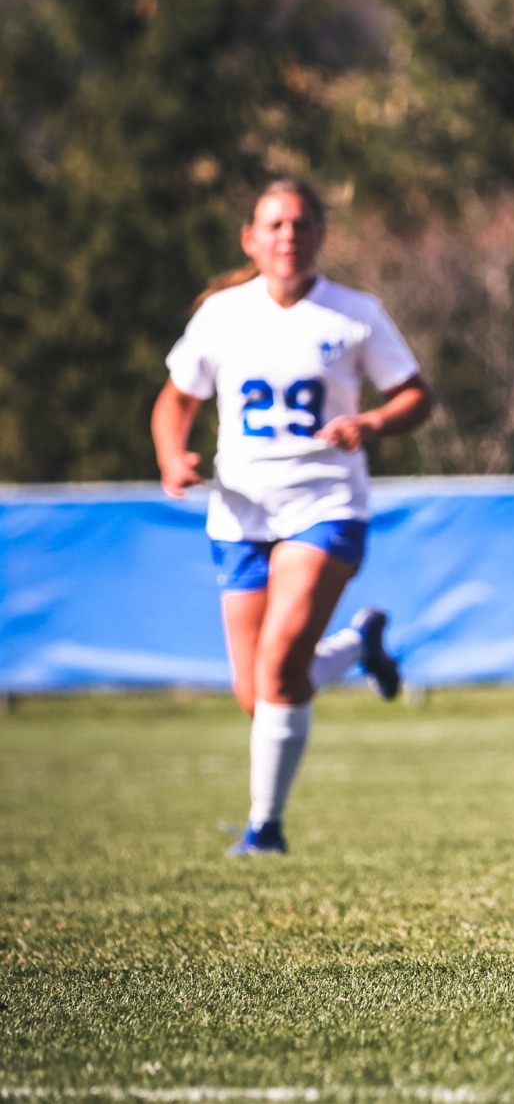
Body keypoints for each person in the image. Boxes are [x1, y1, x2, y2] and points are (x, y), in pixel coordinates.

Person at [152, 178, 435, 855]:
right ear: (250, 238)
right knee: (260, 696)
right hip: (240, 513)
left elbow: (416, 396)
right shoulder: (222, 313)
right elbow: (175, 400)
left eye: (301, 224)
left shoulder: (353, 313)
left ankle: (265, 827)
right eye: (274, 225)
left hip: (326, 507)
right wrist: (171, 458)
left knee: (280, 670)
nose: (288, 236)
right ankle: (357, 647)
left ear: (320, 236)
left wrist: (371, 419)